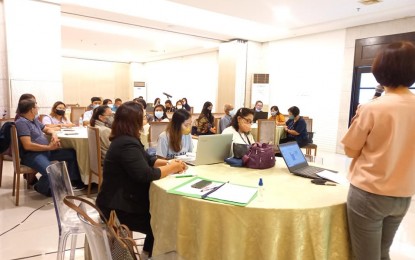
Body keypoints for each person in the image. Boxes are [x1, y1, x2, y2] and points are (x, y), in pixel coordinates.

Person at [341, 41, 415, 260]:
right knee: (383, 251)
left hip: (369, 193)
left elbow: (350, 151)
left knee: (365, 256)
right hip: (403, 195)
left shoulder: (373, 108)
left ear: (380, 70)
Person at [96, 101, 187, 258]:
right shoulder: (126, 144)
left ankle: (147, 253)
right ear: (134, 120)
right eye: (144, 116)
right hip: (118, 208)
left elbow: (148, 159)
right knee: (162, 221)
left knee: (160, 215)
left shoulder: (126, 139)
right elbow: (145, 174)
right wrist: (172, 168)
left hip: (122, 200)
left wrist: (170, 163)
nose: (147, 118)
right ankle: (151, 254)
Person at [15, 99, 84, 196]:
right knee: (51, 171)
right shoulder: (22, 123)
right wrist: (49, 148)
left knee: (71, 153)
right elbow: (27, 145)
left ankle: (73, 181)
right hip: (32, 154)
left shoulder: (33, 120)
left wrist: (54, 134)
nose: (37, 108)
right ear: (31, 110)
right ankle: (40, 187)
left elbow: (46, 129)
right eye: (36, 106)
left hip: (45, 151)